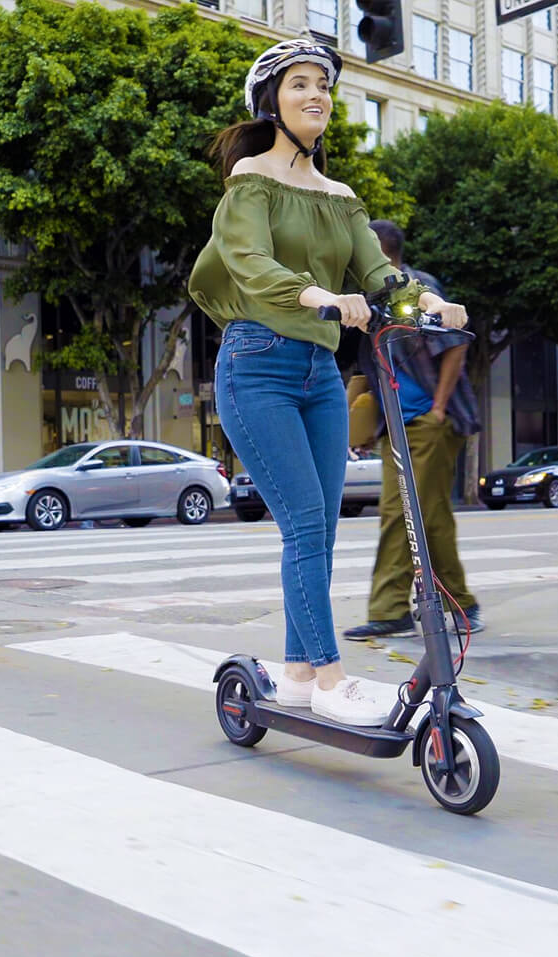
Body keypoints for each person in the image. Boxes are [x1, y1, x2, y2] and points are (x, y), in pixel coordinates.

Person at [188, 39, 468, 727]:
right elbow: (249, 264)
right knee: (306, 523)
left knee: (318, 534)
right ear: (271, 103)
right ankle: (332, 679)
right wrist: (316, 296)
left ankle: (294, 675)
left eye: (324, 86)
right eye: (300, 85)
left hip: (318, 374)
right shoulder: (248, 182)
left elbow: (378, 273)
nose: (316, 95)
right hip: (257, 366)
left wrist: (427, 303)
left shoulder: (341, 197)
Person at [343, 220, 482, 641]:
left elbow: (455, 341)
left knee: (404, 512)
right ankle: (460, 602)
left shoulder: (418, 287)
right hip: (396, 425)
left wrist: (438, 408)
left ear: (381, 252)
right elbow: (366, 366)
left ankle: (390, 609)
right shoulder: (368, 300)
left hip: (428, 421)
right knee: (423, 514)